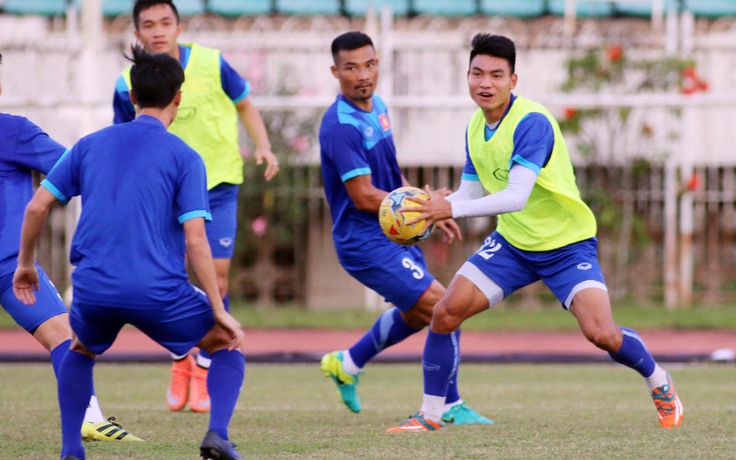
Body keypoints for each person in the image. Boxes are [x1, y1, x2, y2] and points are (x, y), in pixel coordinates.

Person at [386, 33, 684, 432]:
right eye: (477, 73)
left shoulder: (532, 123)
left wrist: (451, 206)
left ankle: (659, 381)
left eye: (496, 74)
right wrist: (437, 206)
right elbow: (474, 191)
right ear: (468, 76)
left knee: (602, 334)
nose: (485, 83)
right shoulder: (476, 126)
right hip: (513, 245)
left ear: (514, 80)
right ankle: (431, 414)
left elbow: (515, 196)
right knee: (445, 314)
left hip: (566, 246)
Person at [14, 45, 245, 460]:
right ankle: (217, 436)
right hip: (158, 292)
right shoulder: (186, 157)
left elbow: (37, 207)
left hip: (94, 288)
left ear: (133, 97)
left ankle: (71, 450)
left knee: (80, 350)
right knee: (225, 343)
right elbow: (195, 240)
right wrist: (218, 307)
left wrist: (26, 264)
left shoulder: (88, 146)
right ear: (179, 97)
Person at [318, 31, 492, 426]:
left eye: (370, 64)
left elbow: (391, 175)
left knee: (419, 315)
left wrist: (426, 204)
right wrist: (423, 208)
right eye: (351, 67)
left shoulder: (377, 105)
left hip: (393, 232)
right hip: (364, 242)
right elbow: (362, 195)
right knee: (446, 306)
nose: (363, 74)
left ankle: (347, 363)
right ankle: (449, 405)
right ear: (335, 71)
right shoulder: (339, 126)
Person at [112, 0, 278, 414]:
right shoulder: (124, 84)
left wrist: (263, 145)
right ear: (137, 34)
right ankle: (179, 359)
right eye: (148, 24)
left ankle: (203, 367)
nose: (158, 31)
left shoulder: (210, 62)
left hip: (217, 183)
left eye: (165, 22)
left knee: (215, 276)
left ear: (179, 26)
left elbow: (244, 103)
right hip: (161, 191)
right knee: (169, 277)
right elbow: (123, 138)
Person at [0, 53, 142, 443]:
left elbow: (75, 168)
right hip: (11, 266)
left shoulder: (11, 132)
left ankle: (89, 418)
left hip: (11, 269)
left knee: (64, 334)